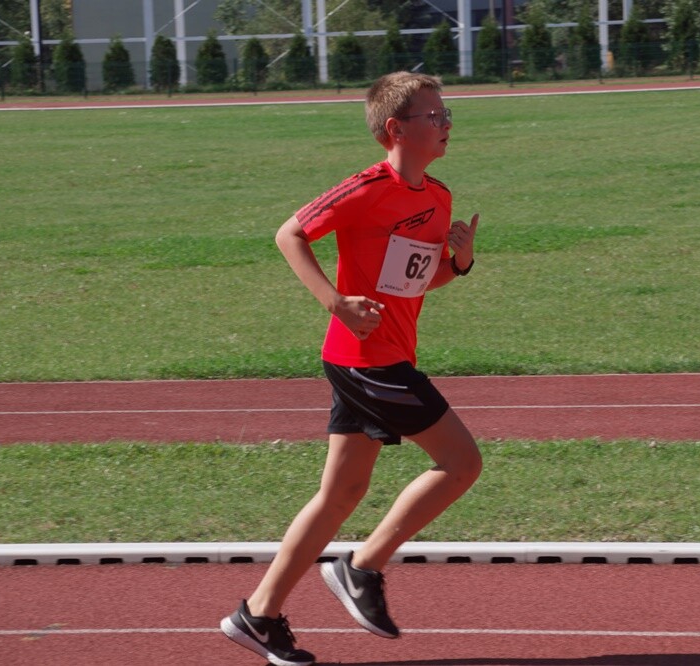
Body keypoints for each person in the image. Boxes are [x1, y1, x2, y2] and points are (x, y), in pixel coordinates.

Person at [220, 71, 483, 666]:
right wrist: (333, 301)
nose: (446, 125)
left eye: (447, 115)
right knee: (462, 462)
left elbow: (415, 284)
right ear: (396, 129)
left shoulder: (438, 197)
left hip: (383, 357)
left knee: (341, 493)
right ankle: (361, 567)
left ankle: (258, 615)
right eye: (433, 116)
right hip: (367, 360)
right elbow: (290, 233)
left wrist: (459, 264)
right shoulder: (365, 189)